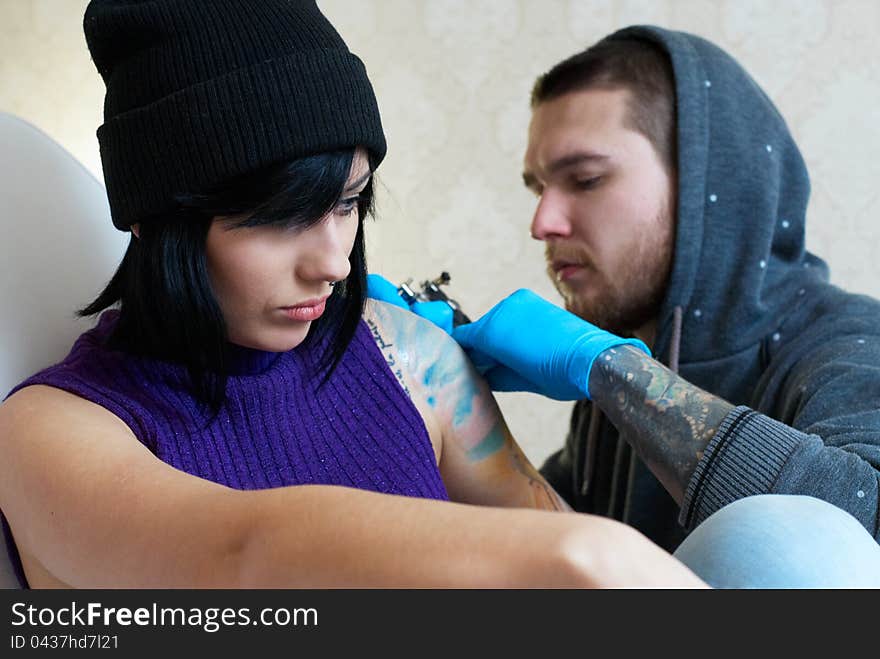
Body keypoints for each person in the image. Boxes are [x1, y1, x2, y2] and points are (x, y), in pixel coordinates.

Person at [0, 2, 707, 589]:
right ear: (156, 217)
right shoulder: (48, 433)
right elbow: (239, 554)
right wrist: (585, 552)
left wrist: (620, 380)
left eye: (348, 205)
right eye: (282, 218)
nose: (334, 262)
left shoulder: (408, 355)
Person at [372, 26, 880, 587]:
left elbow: (850, 539)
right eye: (537, 188)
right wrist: (440, 395)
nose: (543, 223)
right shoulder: (616, 382)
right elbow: (559, 560)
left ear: (703, 187)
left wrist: (615, 371)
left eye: (586, 179)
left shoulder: (851, 343)